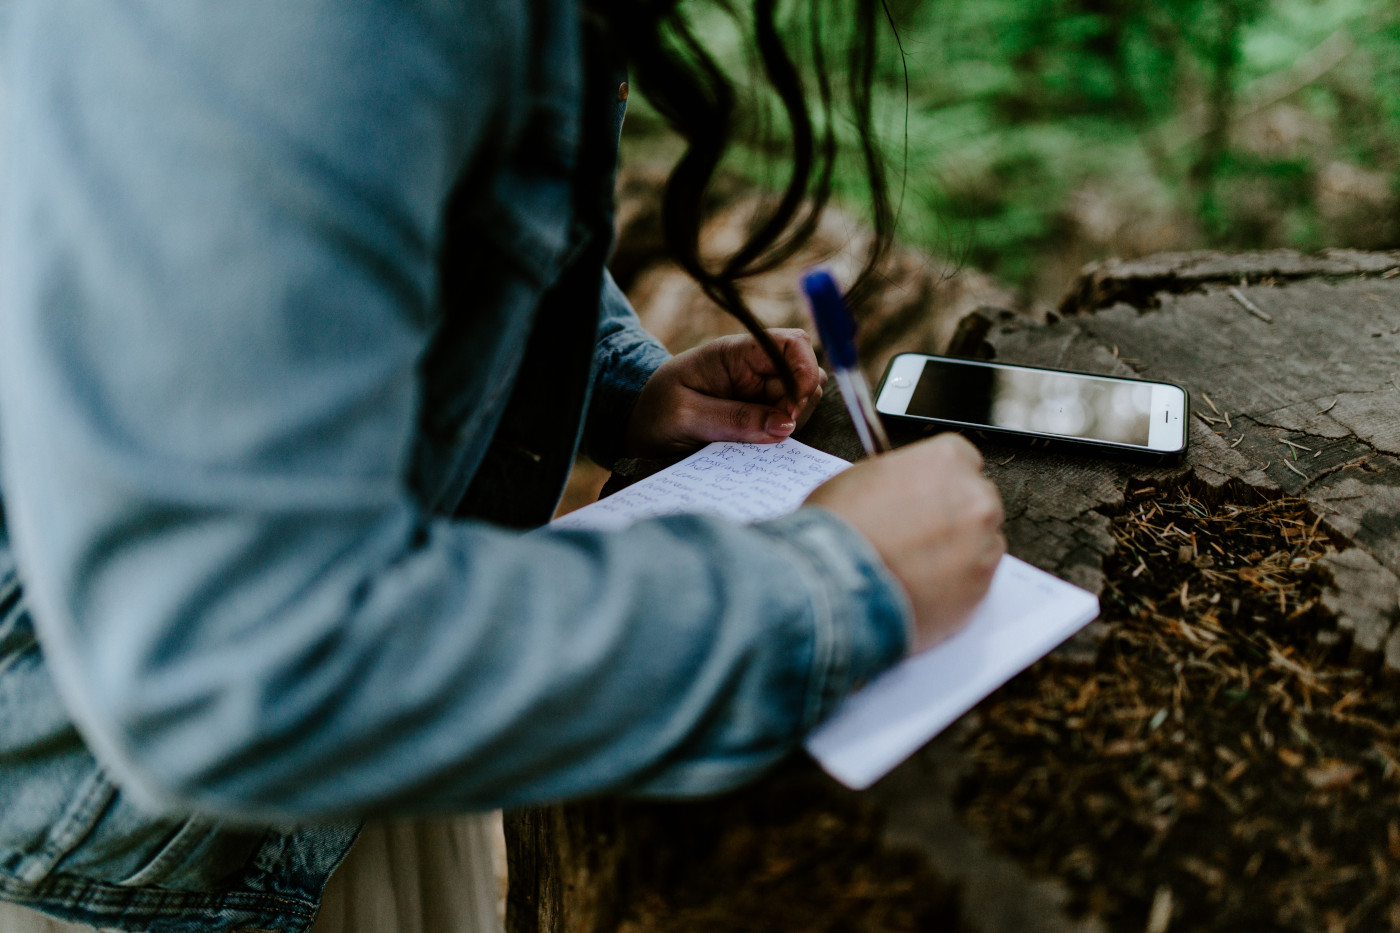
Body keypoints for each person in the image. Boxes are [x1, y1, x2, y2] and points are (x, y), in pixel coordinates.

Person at [0, 2, 1005, 931]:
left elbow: (431, 221)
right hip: (125, 830)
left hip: (393, 702)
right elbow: (234, 661)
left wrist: (620, 383)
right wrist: (828, 594)